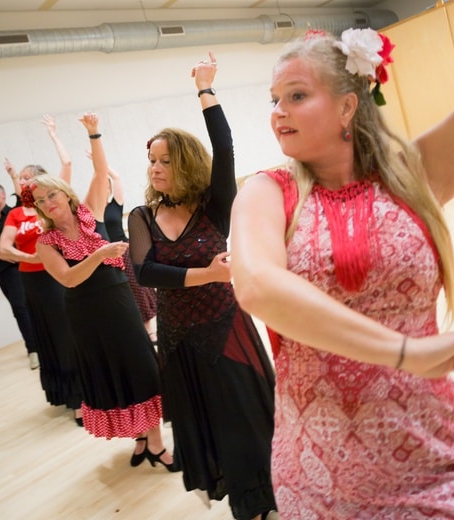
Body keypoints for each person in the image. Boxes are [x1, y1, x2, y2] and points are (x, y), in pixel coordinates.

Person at [229, 1, 454, 518]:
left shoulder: (413, 174)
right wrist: (404, 351)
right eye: (274, 99)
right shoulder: (268, 192)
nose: (278, 111)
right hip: (322, 470)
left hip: (435, 448)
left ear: (347, 107)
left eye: (296, 95)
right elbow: (257, 286)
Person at [128, 54, 277, 520]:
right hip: (177, 339)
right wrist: (206, 274)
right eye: (151, 160)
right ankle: (244, 504)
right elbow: (146, 272)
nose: (155, 168)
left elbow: (225, 147)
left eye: (165, 161)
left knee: (246, 417)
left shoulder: (215, 205)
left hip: (226, 328)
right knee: (207, 423)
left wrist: (205, 90)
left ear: (186, 164)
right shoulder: (142, 217)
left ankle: (268, 494)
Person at [32, 112, 175, 469]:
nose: (49, 203)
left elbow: (100, 172)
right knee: (113, 372)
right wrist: (98, 254)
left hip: (118, 303)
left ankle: (154, 442)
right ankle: (141, 438)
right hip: (85, 313)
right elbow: (68, 279)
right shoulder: (45, 243)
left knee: (140, 365)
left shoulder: (90, 214)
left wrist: (95, 134)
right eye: (41, 200)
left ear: (65, 196)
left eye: (53, 195)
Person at [0, 117, 83, 425]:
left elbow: (68, 164)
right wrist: (34, 258)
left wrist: (53, 135)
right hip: (32, 281)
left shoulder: (51, 207)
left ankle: (80, 397)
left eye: (24, 177)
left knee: (67, 334)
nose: (20, 182)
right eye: (18, 179)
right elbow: (5, 247)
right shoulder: (17, 213)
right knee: (49, 336)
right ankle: (63, 392)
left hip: (57, 278)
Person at [101, 158, 158, 344]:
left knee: (139, 289)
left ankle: (150, 331)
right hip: (107, 257)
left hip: (125, 251)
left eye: (105, 185)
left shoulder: (114, 206)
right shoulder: (89, 212)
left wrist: (100, 164)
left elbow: (116, 178)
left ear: (108, 189)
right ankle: (136, 333)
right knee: (122, 294)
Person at [0, 179, 38, 369]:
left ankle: (36, 348)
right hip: (2, 270)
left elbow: (23, 196)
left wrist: (13, 175)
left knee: (23, 307)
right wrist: (2, 252)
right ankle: (32, 347)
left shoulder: (14, 213)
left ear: (2, 195)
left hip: (21, 266)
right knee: (18, 310)